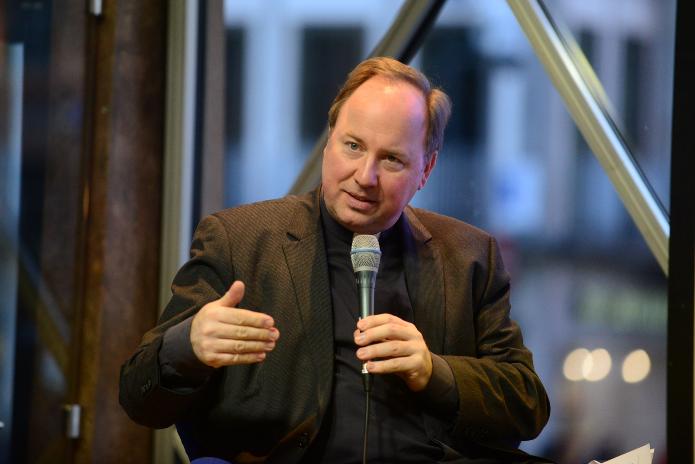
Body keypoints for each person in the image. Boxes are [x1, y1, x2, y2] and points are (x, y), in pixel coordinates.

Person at [119, 57, 550, 463]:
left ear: (426, 169)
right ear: (328, 144)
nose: (366, 177)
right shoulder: (240, 240)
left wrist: (433, 371)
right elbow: (138, 394)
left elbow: (527, 404)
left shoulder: (469, 256)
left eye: (392, 159)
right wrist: (188, 347)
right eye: (353, 146)